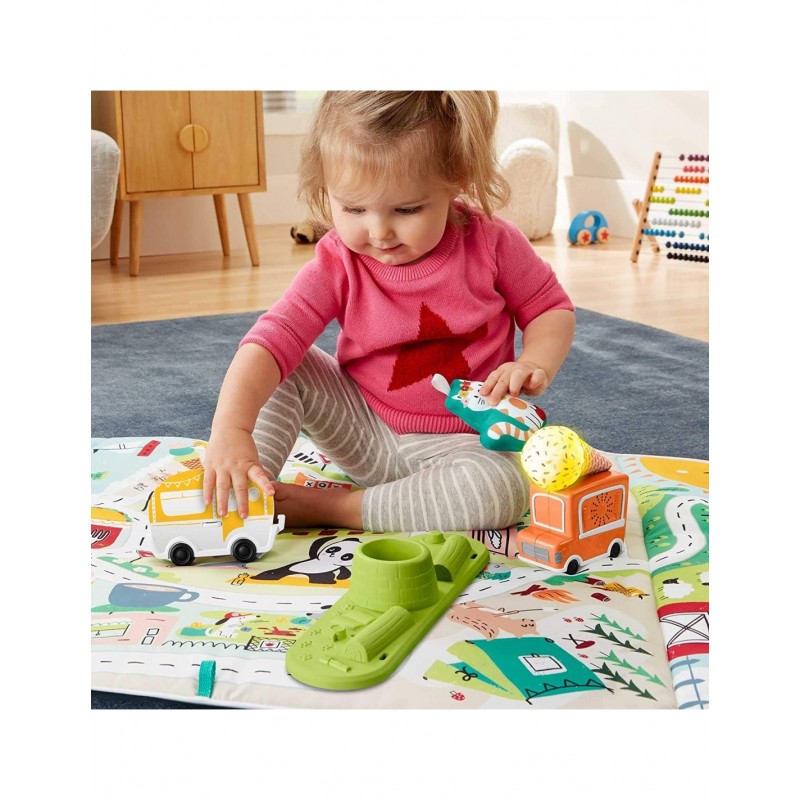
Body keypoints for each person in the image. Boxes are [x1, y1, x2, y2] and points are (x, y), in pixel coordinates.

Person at [203, 91, 575, 536]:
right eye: (353, 208)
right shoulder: (337, 260)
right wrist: (232, 430)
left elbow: (550, 308)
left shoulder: (492, 242)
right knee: (282, 365)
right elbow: (271, 338)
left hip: (461, 443)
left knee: (503, 488)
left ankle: (336, 508)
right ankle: (247, 490)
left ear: (455, 178)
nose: (379, 232)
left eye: (407, 209)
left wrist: (533, 362)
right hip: (363, 429)